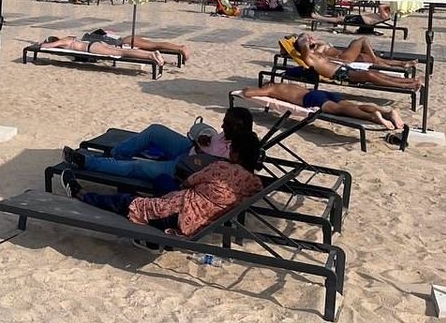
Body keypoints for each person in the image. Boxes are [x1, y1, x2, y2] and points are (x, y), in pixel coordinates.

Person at [61, 131, 264, 237]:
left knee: (126, 201)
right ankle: (113, 159)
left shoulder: (222, 168)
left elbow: (189, 182)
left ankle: (80, 194)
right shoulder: (255, 184)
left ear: (236, 154)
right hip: (193, 207)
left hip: (181, 215)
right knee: (159, 180)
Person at [62, 107, 256, 185]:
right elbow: (205, 131)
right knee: (155, 131)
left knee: (137, 167)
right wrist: (205, 135)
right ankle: (116, 155)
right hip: (187, 149)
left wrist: (201, 154)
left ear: (239, 128)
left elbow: (216, 173)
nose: (222, 126)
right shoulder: (229, 134)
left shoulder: (241, 150)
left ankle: (86, 162)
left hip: (185, 168)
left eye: (227, 124)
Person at [239, 83, 405, 130]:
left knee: (339, 110)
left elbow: (249, 93)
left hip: (310, 98)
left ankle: (372, 116)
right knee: (354, 105)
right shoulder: (288, 85)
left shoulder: (271, 88)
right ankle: (386, 112)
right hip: (319, 92)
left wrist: (247, 89)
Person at [289, 36, 423, 90]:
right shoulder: (308, 58)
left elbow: (319, 45)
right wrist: (302, 39)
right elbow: (304, 46)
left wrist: (311, 41)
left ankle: (409, 81)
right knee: (370, 76)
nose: (309, 39)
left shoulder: (316, 54)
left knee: (374, 73)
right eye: (306, 40)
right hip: (339, 74)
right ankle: (406, 86)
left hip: (344, 68)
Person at [299, 32, 415, 70]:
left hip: (345, 55)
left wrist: (315, 41)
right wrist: (339, 61)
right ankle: (376, 61)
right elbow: (324, 59)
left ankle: (401, 64)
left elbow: (323, 43)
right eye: (308, 38)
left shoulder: (317, 45)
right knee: (362, 40)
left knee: (368, 57)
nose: (311, 38)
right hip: (343, 58)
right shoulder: (313, 52)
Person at [40, 35, 165, 65]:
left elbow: (45, 47)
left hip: (91, 48)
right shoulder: (69, 38)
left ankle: (150, 56)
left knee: (122, 53)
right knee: (121, 51)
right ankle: (151, 54)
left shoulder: (63, 41)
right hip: (95, 43)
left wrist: (44, 44)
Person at [122, 35, 191, 63]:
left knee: (154, 45)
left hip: (125, 41)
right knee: (155, 45)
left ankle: (180, 48)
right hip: (125, 40)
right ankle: (180, 47)